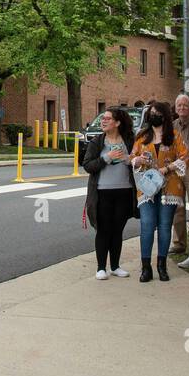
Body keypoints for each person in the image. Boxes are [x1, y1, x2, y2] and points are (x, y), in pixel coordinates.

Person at [131, 101, 189, 282]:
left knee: (164, 226)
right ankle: (146, 267)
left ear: (164, 116)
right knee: (147, 225)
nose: (153, 116)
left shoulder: (174, 136)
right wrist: (137, 160)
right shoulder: (142, 136)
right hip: (147, 188)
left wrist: (168, 168)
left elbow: (186, 156)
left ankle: (162, 265)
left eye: (157, 113)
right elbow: (132, 156)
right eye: (151, 113)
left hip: (169, 186)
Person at [83, 108, 137, 280]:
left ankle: (115, 266)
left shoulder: (129, 140)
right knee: (103, 229)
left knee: (117, 229)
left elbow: (138, 161)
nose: (103, 121)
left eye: (107, 118)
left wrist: (129, 160)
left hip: (124, 191)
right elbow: (87, 165)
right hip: (102, 192)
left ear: (118, 122)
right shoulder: (97, 142)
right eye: (102, 118)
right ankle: (100, 268)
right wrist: (107, 157)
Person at [171, 94, 189, 261]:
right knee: (177, 207)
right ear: (176, 108)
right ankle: (179, 243)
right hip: (175, 169)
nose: (182, 108)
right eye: (179, 105)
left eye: (185, 105)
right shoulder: (172, 125)